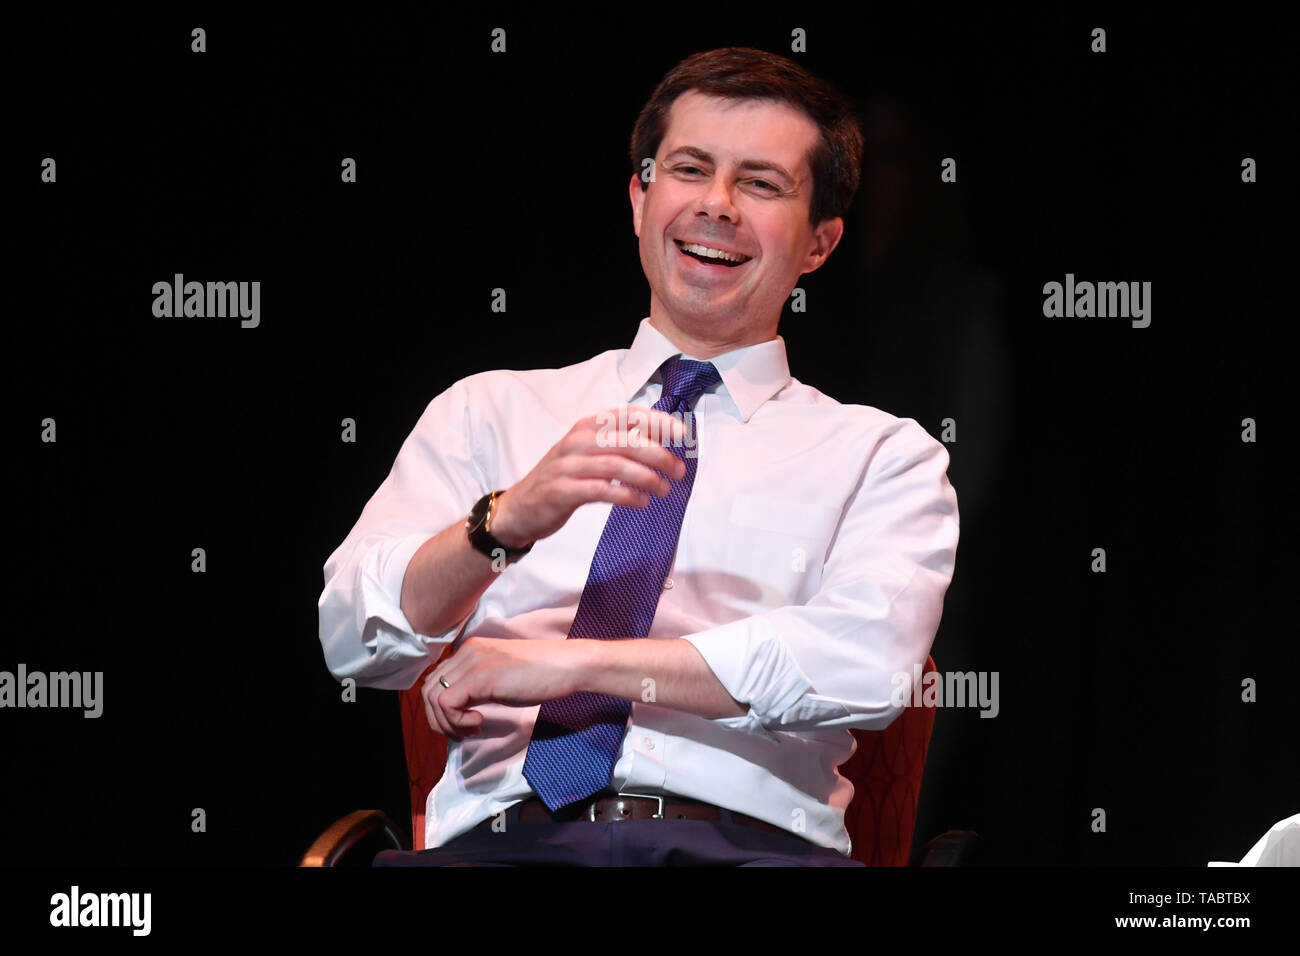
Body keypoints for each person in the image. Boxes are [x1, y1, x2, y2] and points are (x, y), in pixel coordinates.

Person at [317, 46, 959, 866]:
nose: (717, 205)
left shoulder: (883, 455)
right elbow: (352, 640)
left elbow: (867, 666)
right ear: (638, 198)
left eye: (761, 183)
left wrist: (569, 666)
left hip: (746, 849)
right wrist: (504, 522)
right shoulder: (489, 410)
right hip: (500, 845)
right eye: (689, 169)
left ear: (820, 244)